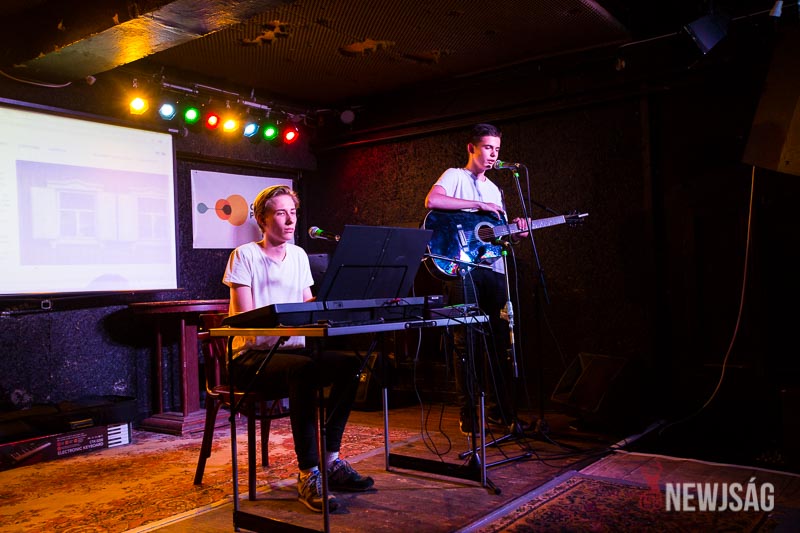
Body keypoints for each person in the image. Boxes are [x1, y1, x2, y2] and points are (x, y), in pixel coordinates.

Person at [223, 184, 374, 513]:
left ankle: (331, 461)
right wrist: (292, 320)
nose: (290, 220)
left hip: (293, 353)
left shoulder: (299, 256)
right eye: (281, 213)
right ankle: (308, 473)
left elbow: (308, 307)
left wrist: (331, 303)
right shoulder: (245, 255)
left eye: (293, 212)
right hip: (251, 358)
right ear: (262, 219)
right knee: (304, 371)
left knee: (351, 365)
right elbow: (245, 319)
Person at [424, 123, 530, 436]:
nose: (493, 154)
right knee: (465, 340)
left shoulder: (496, 189)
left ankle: (500, 412)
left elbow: (494, 237)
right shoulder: (454, 176)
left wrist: (517, 233)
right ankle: (468, 413)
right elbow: (433, 201)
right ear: (472, 148)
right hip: (460, 267)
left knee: (499, 340)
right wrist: (479, 205)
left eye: (497, 149)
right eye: (487, 148)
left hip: (491, 268)